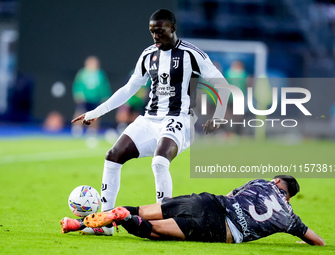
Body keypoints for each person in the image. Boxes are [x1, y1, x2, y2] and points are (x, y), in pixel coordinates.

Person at [71, 9, 230, 235]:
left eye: (160, 31)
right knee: (112, 156)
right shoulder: (148, 55)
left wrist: (219, 116)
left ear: (172, 29)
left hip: (179, 119)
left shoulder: (192, 54)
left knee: (159, 162)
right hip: (149, 119)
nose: (155, 36)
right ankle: (105, 223)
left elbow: (222, 85)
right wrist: (97, 111)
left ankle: (166, 223)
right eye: (152, 32)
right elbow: (129, 88)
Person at [60, 175, 325, 246]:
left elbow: (233, 195)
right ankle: (127, 219)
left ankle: (80, 224)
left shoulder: (259, 183)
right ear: (288, 197)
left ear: (276, 183)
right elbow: (317, 241)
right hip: (220, 228)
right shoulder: (289, 217)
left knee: (144, 208)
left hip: (208, 201)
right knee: (154, 232)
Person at [71, 56, 112, 138]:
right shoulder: (82, 73)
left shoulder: (100, 74)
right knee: (80, 112)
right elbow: (77, 84)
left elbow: (104, 86)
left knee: (95, 114)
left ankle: (92, 132)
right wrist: (78, 93)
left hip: (95, 98)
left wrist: (105, 96)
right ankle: (77, 129)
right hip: (85, 98)